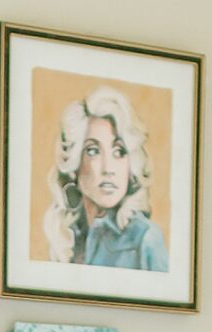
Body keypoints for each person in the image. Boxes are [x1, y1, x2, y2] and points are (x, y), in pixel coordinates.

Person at [43, 86, 168, 272]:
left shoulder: (146, 238)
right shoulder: (66, 236)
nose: (108, 169)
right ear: (74, 165)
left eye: (119, 151)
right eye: (93, 151)